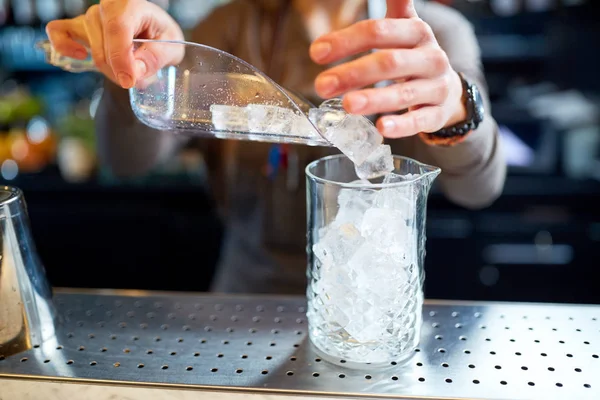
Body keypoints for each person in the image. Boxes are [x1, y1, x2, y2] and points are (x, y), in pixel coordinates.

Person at [46, 0, 505, 294]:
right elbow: (126, 161)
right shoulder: (229, 25)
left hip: (375, 300)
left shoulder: (435, 32)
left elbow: (481, 189)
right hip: (247, 295)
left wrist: (458, 107)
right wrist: (136, 66)